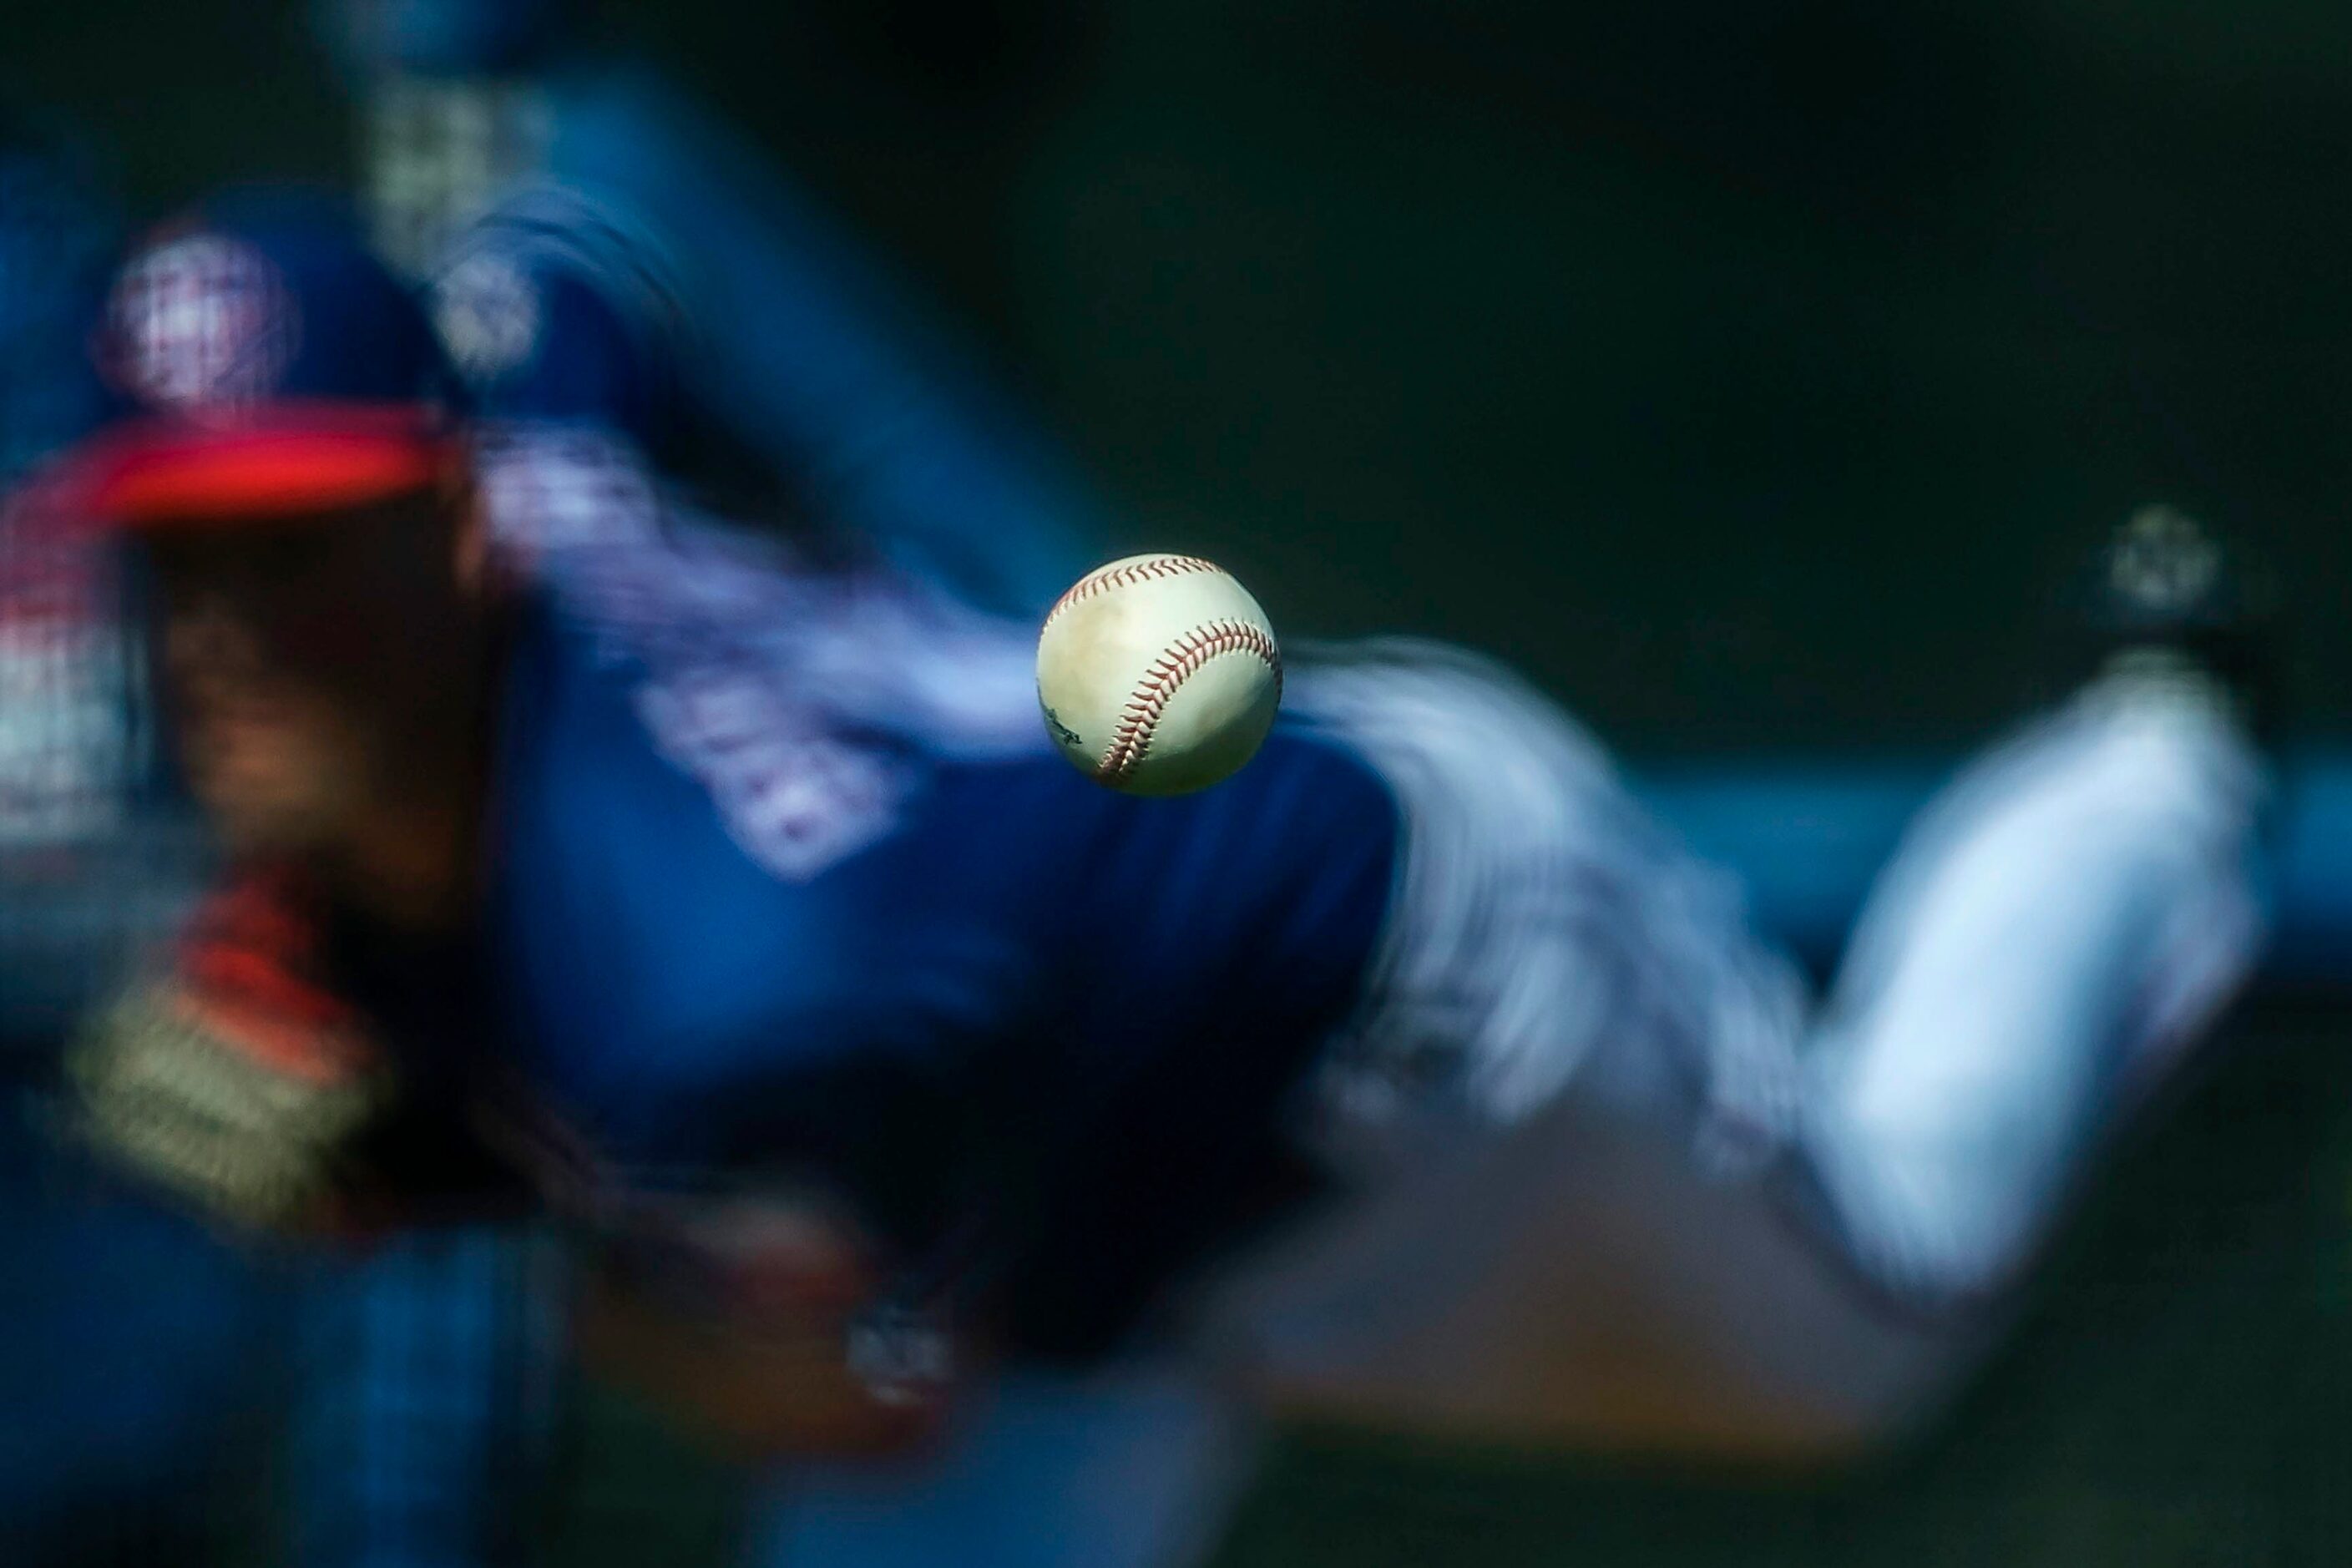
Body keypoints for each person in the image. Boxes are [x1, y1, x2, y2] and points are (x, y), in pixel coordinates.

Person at [33, 198, 2269, 1565]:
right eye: (184, 554)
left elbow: (858, 1393)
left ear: (450, 533)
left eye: (299, 553)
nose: (228, 628)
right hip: (1042, 1149)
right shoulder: (532, 445)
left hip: (1407, 1033)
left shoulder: (736, 988)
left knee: (1874, 1304)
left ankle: (2155, 763)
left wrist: (469, 1191)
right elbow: (571, 279)